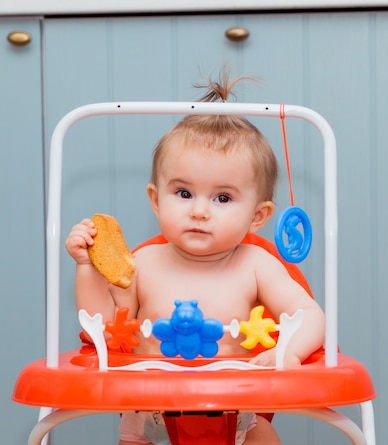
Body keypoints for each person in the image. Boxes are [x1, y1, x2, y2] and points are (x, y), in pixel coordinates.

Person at [65, 73, 326, 445]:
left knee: (265, 438)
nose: (200, 211)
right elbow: (102, 327)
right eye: (184, 192)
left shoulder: (256, 264)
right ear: (156, 200)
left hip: (237, 411)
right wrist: (87, 267)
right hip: (147, 411)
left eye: (222, 198)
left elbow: (311, 316)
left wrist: (290, 352)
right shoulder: (143, 262)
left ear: (258, 216)